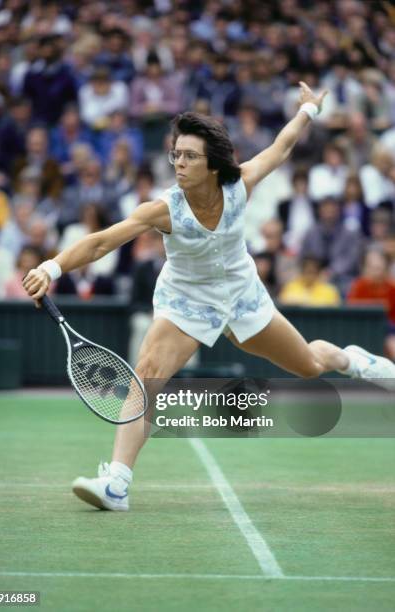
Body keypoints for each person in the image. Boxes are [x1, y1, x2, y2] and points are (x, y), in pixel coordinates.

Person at [23, 83, 395, 512]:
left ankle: (353, 359)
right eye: (175, 154)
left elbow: (283, 144)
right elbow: (102, 242)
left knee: (310, 366)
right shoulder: (163, 208)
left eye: (189, 156)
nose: (179, 163)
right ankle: (117, 484)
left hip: (243, 296)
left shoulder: (241, 184)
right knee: (146, 376)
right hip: (186, 302)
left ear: (213, 164)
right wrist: (50, 267)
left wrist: (308, 110)